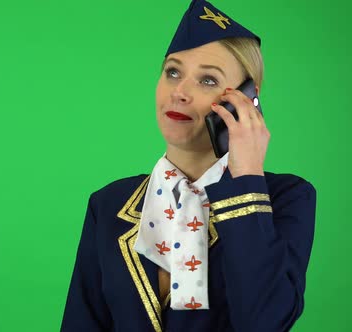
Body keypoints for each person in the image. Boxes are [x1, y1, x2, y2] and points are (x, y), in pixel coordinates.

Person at [60, 0, 316, 331]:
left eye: (207, 80)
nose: (179, 91)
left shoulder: (285, 197)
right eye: (173, 72)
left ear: (246, 99)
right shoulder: (108, 203)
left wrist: (247, 178)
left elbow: (265, 321)